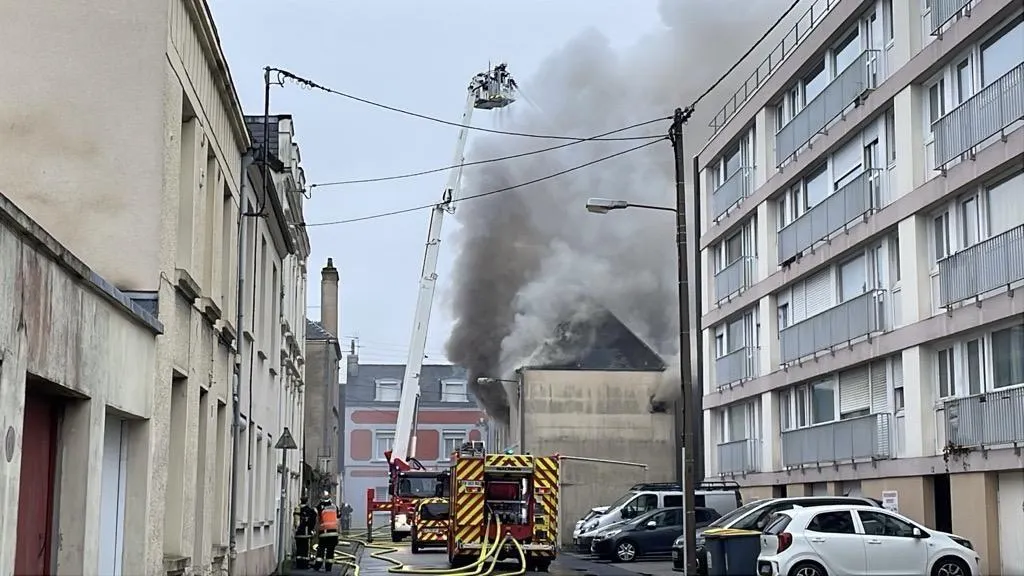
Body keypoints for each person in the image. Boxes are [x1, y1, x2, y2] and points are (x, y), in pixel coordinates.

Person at [313, 491, 340, 572]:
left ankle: (317, 566)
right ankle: (328, 568)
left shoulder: (320, 507)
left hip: (324, 532)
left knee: (321, 549)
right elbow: (338, 517)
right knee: (330, 551)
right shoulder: (335, 507)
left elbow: (315, 517)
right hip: (334, 533)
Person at [294, 496, 318, 569]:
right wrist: (312, 530)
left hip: (298, 533)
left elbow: (296, 522)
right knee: (305, 550)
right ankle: (304, 565)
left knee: (299, 549)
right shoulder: (309, 510)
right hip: (306, 533)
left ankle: (299, 564)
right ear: (307, 501)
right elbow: (313, 520)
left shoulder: (297, 509)